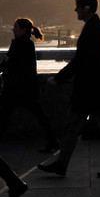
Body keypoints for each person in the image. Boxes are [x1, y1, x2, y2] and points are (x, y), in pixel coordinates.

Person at [38, 0, 100, 178]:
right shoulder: (95, 26)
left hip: (93, 90)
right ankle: (63, 164)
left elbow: (81, 60)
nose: (75, 10)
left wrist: (59, 78)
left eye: (77, 6)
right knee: (85, 127)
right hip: (94, 89)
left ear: (87, 8)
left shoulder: (93, 29)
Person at [0, 18, 58, 153]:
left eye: (16, 27)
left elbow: (11, 62)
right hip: (26, 88)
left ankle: (52, 140)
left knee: (4, 115)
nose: (13, 29)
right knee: (38, 115)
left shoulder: (21, 44)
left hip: (17, 88)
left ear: (23, 30)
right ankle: (52, 140)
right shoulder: (25, 43)